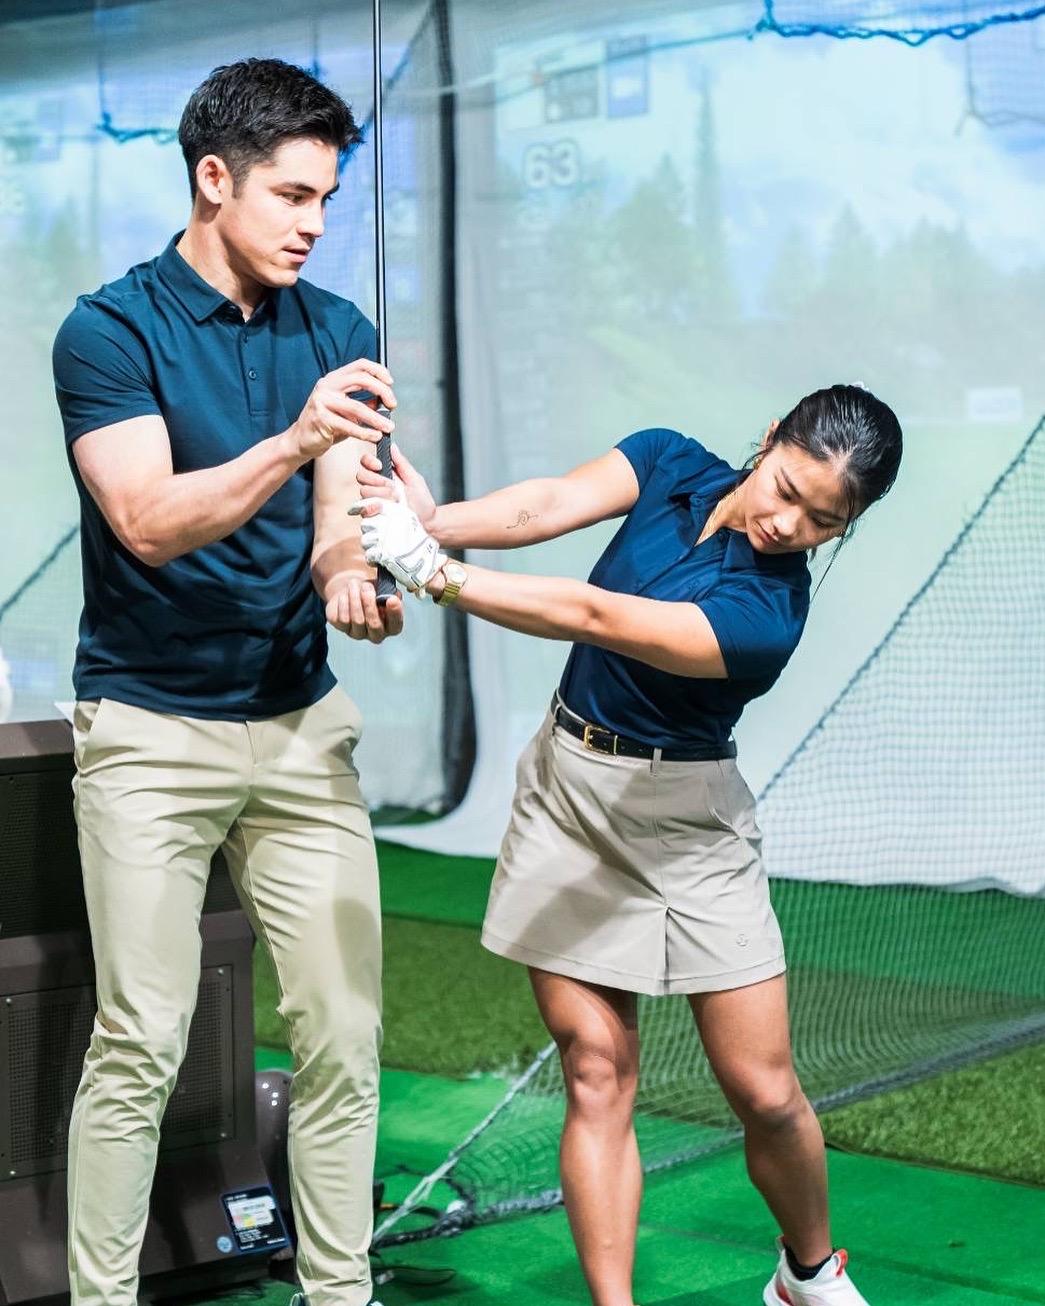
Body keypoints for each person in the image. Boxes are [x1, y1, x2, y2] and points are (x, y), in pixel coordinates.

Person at [353, 384, 903, 1306]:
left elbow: (596, 616)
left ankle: (807, 1270)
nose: (786, 524)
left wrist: (435, 571)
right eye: (785, 487)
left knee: (763, 1091)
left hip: (688, 824)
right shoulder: (667, 461)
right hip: (568, 792)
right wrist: (435, 518)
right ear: (767, 439)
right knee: (596, 1069)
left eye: (822, 521)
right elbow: (544, 505)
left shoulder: (767, 616)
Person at [51, 58, 400, 1306]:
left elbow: (335, 529)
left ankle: (338, 1294)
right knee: (141, 1042)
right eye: (293, 195)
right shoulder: (109, 329)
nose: (314, 222)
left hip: (301, 728)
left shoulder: (339, 330)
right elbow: (147, 518)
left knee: (345, 1040)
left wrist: (360, 569)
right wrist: (298, 437)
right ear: (213, 179)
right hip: (149, 730)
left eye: (328, 197)